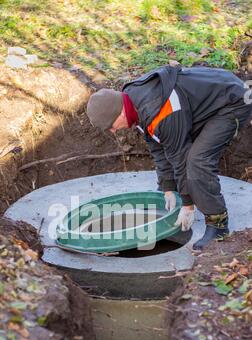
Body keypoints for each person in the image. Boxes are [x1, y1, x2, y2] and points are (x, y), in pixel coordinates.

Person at [86, 64, 252, 249]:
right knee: (184, 157)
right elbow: (158, 146)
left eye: (111, 125)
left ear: (120, 111)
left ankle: (218, 226)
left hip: (234, 101)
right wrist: (167, 187)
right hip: (209, 99)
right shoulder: (134, 101)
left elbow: (180, 156)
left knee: (197, 161)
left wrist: (187, 205)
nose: (112, 130)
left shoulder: (158, 109)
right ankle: (181, 195)